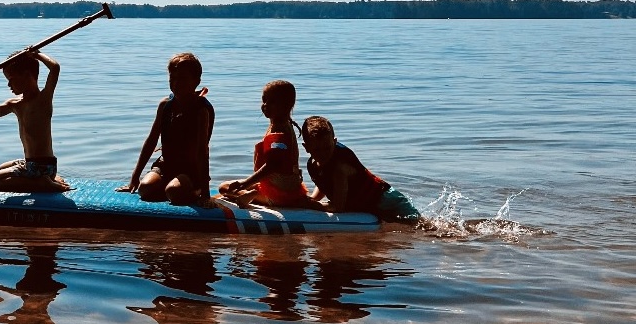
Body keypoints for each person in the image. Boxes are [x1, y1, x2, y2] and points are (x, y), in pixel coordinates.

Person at [0, 49, 70, 193]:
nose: (9, 85)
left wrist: (35, 54)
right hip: (34, 164)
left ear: (27, 75)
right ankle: (49, 178)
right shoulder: (15, 104)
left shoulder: (43, 99)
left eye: (11, 79)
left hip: (41, 166)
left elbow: (55, 68)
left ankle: (41, 183)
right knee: (1, 168)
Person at [117, 52, 214, 206]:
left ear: (196, 81)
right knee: (145, 189)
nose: (176, 83)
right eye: (172, 78)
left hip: (191, 169)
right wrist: (135, 177)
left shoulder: (201, 110)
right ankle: (170, 186)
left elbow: (202, 150)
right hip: (166, 164)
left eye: (182, 79)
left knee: (174, 192)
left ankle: (194, 189)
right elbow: (151, 140)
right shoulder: (165, 105)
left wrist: (206, 194)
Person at [218, 80, 322, 209]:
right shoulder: (286, 125)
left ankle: (252, 195)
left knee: (224, 188)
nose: (265, 105)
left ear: (287, 105)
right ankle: (255, 193)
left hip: (279, 195)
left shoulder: (279, 131)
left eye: (272, 102)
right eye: (264, 100)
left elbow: (273, 165)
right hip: (290, 189)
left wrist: (245, 183)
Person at [301, 115, 421, 224]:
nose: (323, 154)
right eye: (317, 149)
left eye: (327, 148)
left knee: (425, 227)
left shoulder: (339, 168)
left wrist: (312, 205)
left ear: (335, 141)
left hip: (388, 201)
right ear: (306, 148)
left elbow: (339, 208)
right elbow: (325, 183)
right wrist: (312, 199)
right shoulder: (312, 165)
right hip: (374, 205)